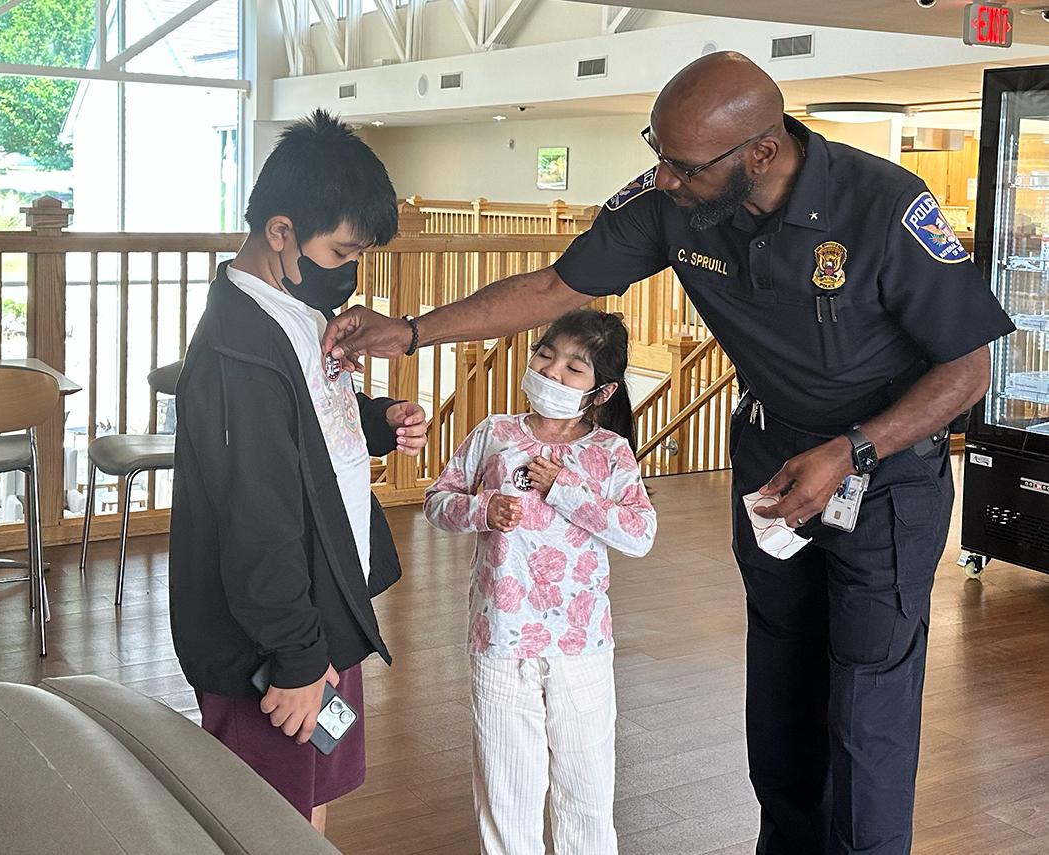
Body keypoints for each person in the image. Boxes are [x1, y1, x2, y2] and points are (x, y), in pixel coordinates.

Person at [322, 53, 1016, 854]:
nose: (663, 178)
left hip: (883, 468)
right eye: (658, 151)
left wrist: (853, 448)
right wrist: (410, 333)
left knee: (867, 698)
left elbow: (969, 367)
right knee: (781, 681)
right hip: (773, 462)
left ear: (759, 151)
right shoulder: (673, 200)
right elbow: (556, 287)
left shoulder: (882, 206)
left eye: (682, 166)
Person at [168, 110, 429, 834]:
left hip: (319, 612)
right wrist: (296, 657)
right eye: (343, 250)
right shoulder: (238, 355)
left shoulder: (296, 310)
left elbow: (313, 426)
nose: (349, 271)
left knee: (307, 805)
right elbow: (260, 519)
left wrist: (380, 419)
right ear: (280, 232)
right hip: (278, 635)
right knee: (266, 823)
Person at [424, 309, 656, 855]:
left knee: (587, 786)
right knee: (506, 789)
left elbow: (639, 533)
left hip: (582, 644)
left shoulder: (610, 453)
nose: (552, 373)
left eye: (574, 368)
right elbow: (438, 502)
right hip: (501, 636)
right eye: (546, 356)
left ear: (600, 392)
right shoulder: (494, 433)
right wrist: (482, 509)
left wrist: (565, 489)